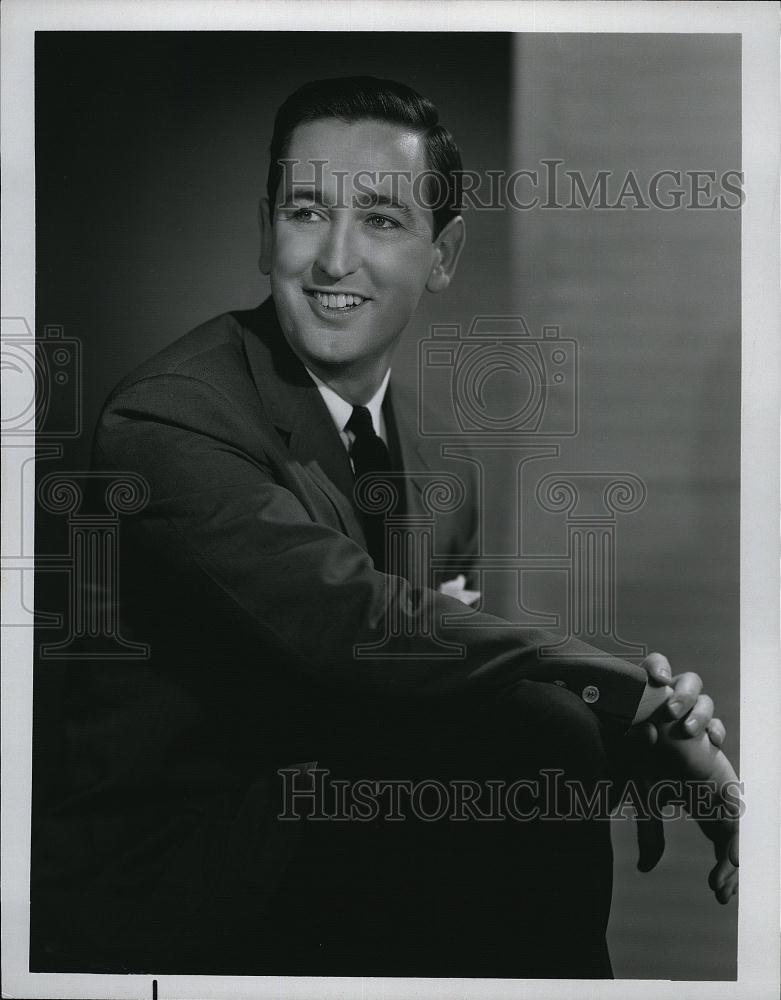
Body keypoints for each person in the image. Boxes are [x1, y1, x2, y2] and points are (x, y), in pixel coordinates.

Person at [30, 76, 739, 979]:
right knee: (538, 731)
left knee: (533, 735)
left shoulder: (440, 461)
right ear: (264, 230)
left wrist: (642, 736)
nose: (333, 259)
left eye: (380, 219)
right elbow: (356, 628)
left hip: (338, 840)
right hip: (169, 889)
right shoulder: (168, 420)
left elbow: (443, 676)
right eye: (305, 211)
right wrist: (627, 700)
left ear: (442, 255)